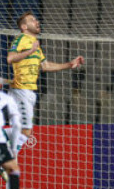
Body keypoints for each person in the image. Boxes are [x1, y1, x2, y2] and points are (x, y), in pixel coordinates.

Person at [7, 11, 84, 152]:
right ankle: (6, 159)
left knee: (21, 132)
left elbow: (46, 66)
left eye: (36, 19)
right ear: (24, 27)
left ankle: (0, 153)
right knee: (25, 131)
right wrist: (30, 51)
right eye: (32, 20)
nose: (37, 22)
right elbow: (10, 59)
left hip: (28, 91)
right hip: (20, 89)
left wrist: (69, 64)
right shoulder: (21, 39)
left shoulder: (35, 45)